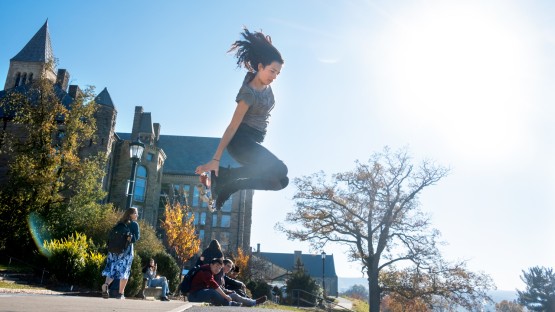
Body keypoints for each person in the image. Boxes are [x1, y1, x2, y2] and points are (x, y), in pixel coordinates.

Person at [195, 27, 289, 210]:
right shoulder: (248, 93)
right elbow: (232, 126)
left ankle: (224, 179)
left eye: (278, 73)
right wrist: (215, 159)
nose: (274, 77)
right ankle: (228, 183)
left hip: (252, 141)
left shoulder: (263, 83)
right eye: (271, 71)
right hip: (240, 142)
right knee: (280, 170)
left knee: (280, 181)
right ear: (260, 66)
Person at [101, 207, 140, 299]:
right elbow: (136, 238)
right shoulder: (134, 224)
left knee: (112, 270)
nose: (137, 215)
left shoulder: (120, 223)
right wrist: (130, 238)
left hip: (113, 251)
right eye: (136, 213)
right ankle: (120, 294)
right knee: (124, 271)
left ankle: (106, 284)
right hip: (126, 251)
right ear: (131, 214)